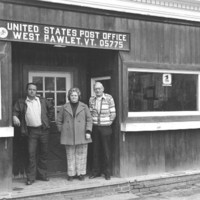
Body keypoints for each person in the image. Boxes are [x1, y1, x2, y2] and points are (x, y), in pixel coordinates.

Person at [13, 83, 54, 185]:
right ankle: (31, 178)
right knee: (31, 154)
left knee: (43, 153)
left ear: (36, 91)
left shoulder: (42, 100)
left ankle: (42, 175)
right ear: (27, 90)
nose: (32, 91)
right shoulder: (21, 102)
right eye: (30, 89)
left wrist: (47, 121)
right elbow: (15, 111)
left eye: (34, 90)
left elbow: (51, 109)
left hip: (43, 130)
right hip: (31, 131)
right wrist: (14, 116)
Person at [56, 87, 93, 181]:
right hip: (68, 135)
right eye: (72, 95)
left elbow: (89, 120)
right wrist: (62, 130)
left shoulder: (84, 106)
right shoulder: (64, 107)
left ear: (78, 96)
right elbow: (59, 120)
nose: (74, 97)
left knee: (82, 154)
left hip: (82, 134)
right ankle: (71, 174)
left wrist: (88, 131)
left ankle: (81, 173)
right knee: (70, 155)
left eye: (75, 95)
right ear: (69, 96)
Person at [89, 82, 116, 180]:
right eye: (95, 89)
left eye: (99, 88)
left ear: (103, 89)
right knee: (95, 150)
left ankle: (107, 172)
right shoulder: (92, 99)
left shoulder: (109, 98)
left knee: (106, 151)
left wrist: (109, 123)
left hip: (105, 127)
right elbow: (90, 112)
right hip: (95, 127)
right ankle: (96, 172)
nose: (97, 90)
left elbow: (113, 113)